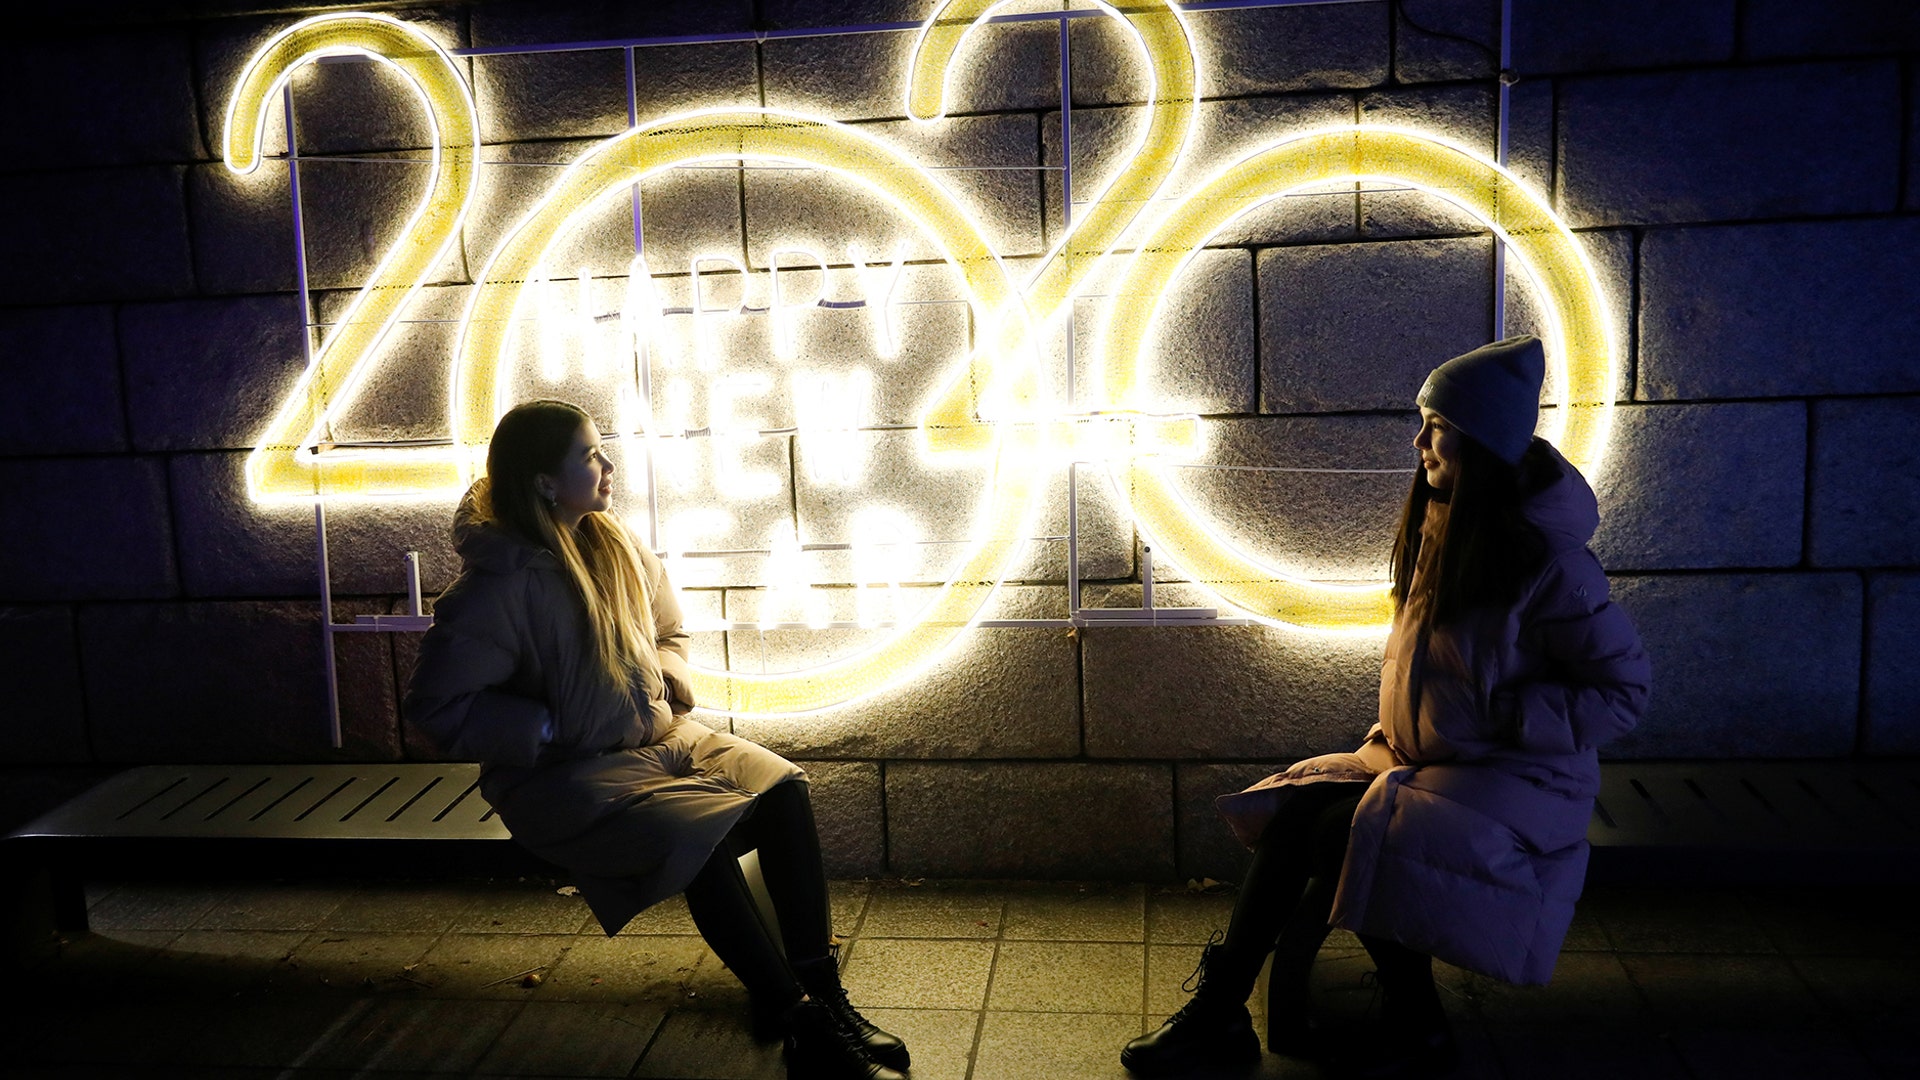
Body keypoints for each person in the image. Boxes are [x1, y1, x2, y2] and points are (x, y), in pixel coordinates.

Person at [1121, 336, 1651, 1078]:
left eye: (1436, 426)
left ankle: (1416, 1023)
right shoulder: (1441, 528)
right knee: (1301, 807)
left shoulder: (1550, 563)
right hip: (1430, 763)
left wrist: (1503, 716)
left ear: (1480, 441)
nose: (1418, 441)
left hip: (1519, 785)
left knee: (1352, 832)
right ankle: (1221, 1008)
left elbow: (1621, 694)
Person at [405, 399, 909, 1080]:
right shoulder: (496, 589)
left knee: (784, 791)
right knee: (696, 834)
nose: (608, 465)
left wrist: (667, 680)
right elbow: (437, 707)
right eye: (590, 454)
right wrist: (545, 726)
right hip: (562, 776)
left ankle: (825, 996)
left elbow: (671, 631)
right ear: (547, 482)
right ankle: (800, 1021)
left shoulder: (616, 544)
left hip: (659, 740)